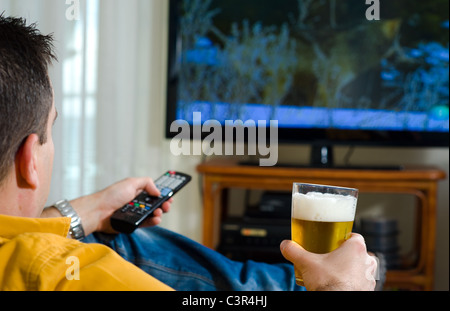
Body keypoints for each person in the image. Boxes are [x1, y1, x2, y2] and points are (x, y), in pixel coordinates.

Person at [0, 15, 377, 291]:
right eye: (52, 130)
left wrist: (88, 210)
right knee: (125, 244)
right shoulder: (71, 272)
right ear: (31, 159)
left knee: (120, 236)